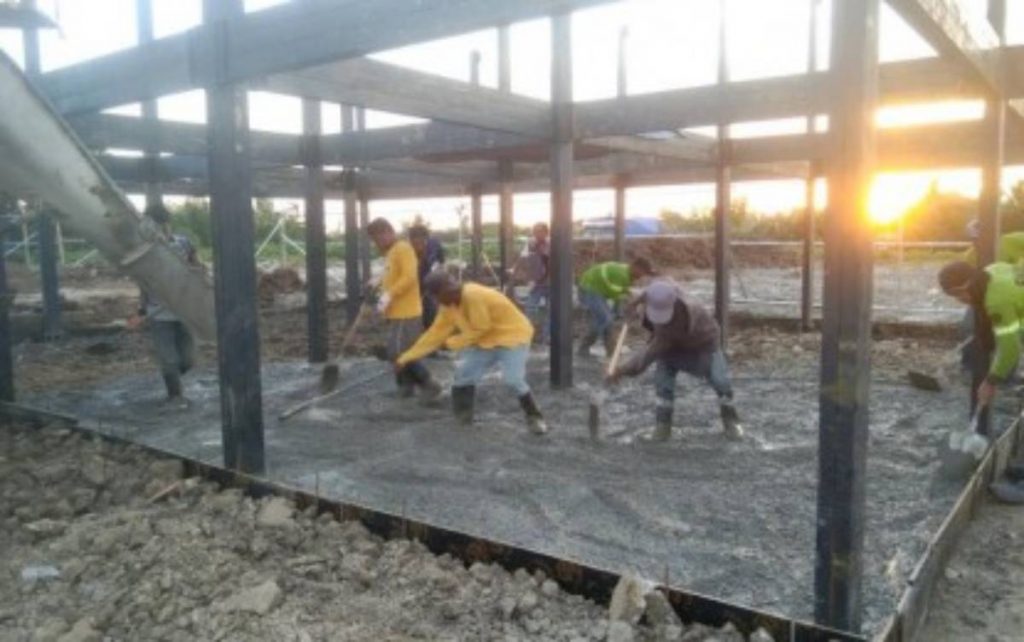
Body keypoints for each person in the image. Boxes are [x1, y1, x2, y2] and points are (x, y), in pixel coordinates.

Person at [395, 271, 548, 435]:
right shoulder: (449, 306)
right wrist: (406, 357)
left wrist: (451, 343)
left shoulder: (473, 295)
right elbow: (435, 334)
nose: (438, 300)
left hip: (513, 338)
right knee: (464, 375)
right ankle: (463, 418)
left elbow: (481, 327)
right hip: (485, 342)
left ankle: (534, 417)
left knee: (513, 379)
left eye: (437, 296)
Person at [607, 279, 743, 442]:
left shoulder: (679, 320)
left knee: (720, 381)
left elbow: (647, 356)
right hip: (670, 345)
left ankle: (731, 422)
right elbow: (643, 295)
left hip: (703, 343)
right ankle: (663, 427)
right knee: (663, 383)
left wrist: (621, 371)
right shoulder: (659, 291)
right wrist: (632, 306)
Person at [126, 204, 199, 406]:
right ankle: (175, 396)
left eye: (161, 224)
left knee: (188, 360)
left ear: (167, 224)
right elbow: (143, 282)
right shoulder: (144, 251)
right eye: (154, 225)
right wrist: (141, 310)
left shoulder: (183, 244)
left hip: (184, 311)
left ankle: (176, 378)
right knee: (168, 360)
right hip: (158, 314)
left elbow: (197, 267)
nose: (159, 229)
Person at [366, 218, 441, 400]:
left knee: (396, 352)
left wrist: (390, 294)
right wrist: (378, 282)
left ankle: (428, 383)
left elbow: (409, 277)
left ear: (388, 232)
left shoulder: (403, 249)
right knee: (401, 352)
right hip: (398, 312)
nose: (377, 243)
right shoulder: (392, 252)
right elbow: (394, 275)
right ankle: (406, 387)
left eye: (378, 238)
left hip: (407, 312)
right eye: (374, 240)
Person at [938, 260, 1024, 408]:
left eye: (958, 293)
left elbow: (1011, 349)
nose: (959, 300)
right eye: (952, 295)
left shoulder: (997, 302)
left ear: (969, 284)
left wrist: (991, 382)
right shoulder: (991, 270)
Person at [577, 257, 655, 357]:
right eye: (643, 272)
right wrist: (629, 303)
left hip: (597, 290)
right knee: (604, 319)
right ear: (636, 267)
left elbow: (620, 292)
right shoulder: (622, 275)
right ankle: (585, 348)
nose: (643, 276)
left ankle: (610, 350)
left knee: (605, 320)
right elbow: (617, 293)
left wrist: (629, 300)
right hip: (588, 289)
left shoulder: (627, 274)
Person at [511, 222, 550, 345]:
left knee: (552, 312)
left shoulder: (552, 244)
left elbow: (549, 262)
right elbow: (522, 258)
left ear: (546, 232)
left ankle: (547, 338)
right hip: (537, 283)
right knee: (530, 309)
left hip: (551, 283)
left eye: (540, 232)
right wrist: (515, 270)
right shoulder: (530, 244)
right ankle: (526, 336)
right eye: (535, 232)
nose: (537, 234)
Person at [408, 224, 446, 328]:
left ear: (425, 239)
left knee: (430, 300)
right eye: (413, 242)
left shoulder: (433, 245)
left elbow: (441, 261)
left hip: (432, 273)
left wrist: (437, 270)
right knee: (419, 299)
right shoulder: (408, 249)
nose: (416, 244)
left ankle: (432, 326)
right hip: (419, 274)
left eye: (419, 241)